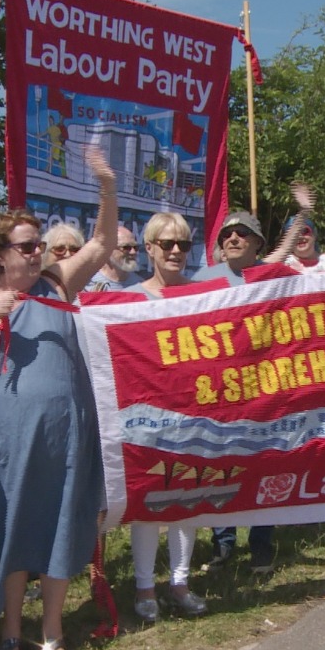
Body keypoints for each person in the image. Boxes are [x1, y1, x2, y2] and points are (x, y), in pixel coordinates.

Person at [0, 150, 118, 650]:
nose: (38, 251)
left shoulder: (57, 282)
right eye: (27, 245)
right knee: (11, 529)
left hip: (63, 436)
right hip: (1, 442)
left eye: (40, 243)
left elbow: (103, 243)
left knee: (62, 523)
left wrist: (106, 190)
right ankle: (10, 635)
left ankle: (52, 635)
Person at [194, 187, 312, 574]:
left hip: (264, 392)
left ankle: (262, 544)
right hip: (219, 394)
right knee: (223, 467)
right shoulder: (202, 279)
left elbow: (291, 269)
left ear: (257, 243)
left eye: (242, 234)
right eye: (227, 234)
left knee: (263, 465)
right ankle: (223, 544)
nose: (232, 238)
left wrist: (301, 214)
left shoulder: (270, 275)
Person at [121, 213, 210, 619]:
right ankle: (144, 589)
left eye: (184, 244)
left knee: (188, 498)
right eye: (167, 243)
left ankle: (180, 582)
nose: (176, 251)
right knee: (148, 501)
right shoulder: (129, 300)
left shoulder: (205, 295)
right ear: (150, 248)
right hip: (146, 418)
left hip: (195, 413)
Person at [86, 226, 142, 292]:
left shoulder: (140, 285)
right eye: (126, 247)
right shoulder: (87, 284)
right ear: (107, 250)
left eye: (135, 247)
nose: (133, 252)